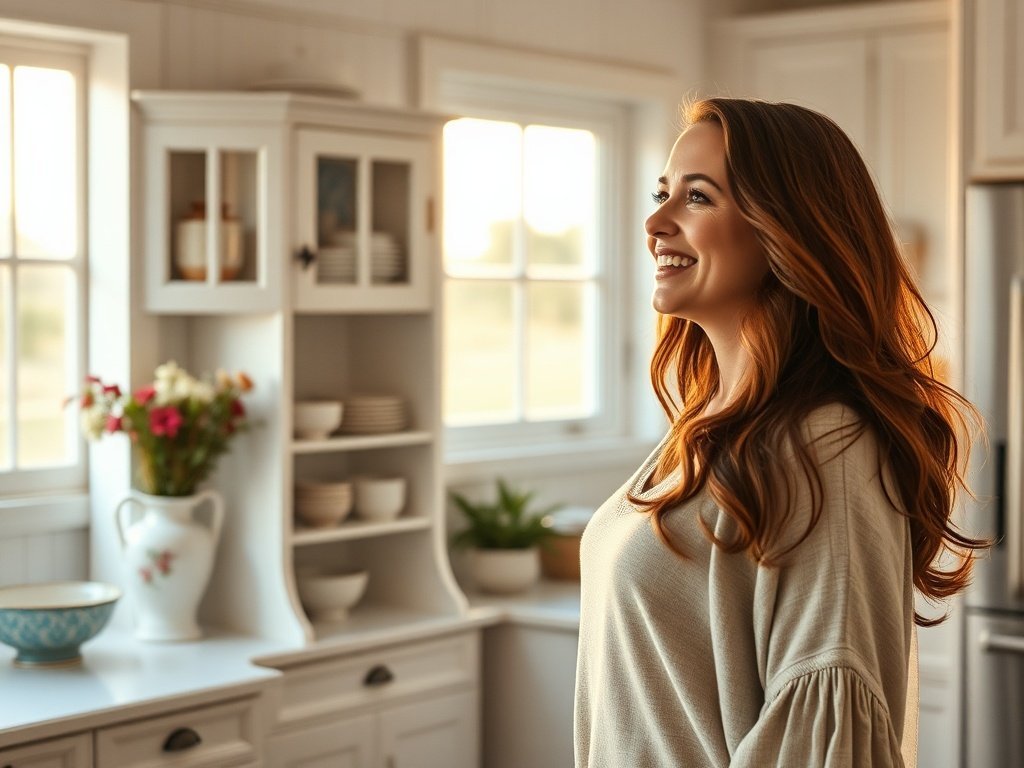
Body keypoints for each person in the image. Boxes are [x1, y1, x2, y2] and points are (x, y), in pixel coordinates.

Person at [573, 97, 987, 767]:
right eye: (661, 193)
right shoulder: (710, 428)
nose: (655, 223)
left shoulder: (827, 451)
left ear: (786, 230)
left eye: (697, 198)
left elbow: (826, 746)